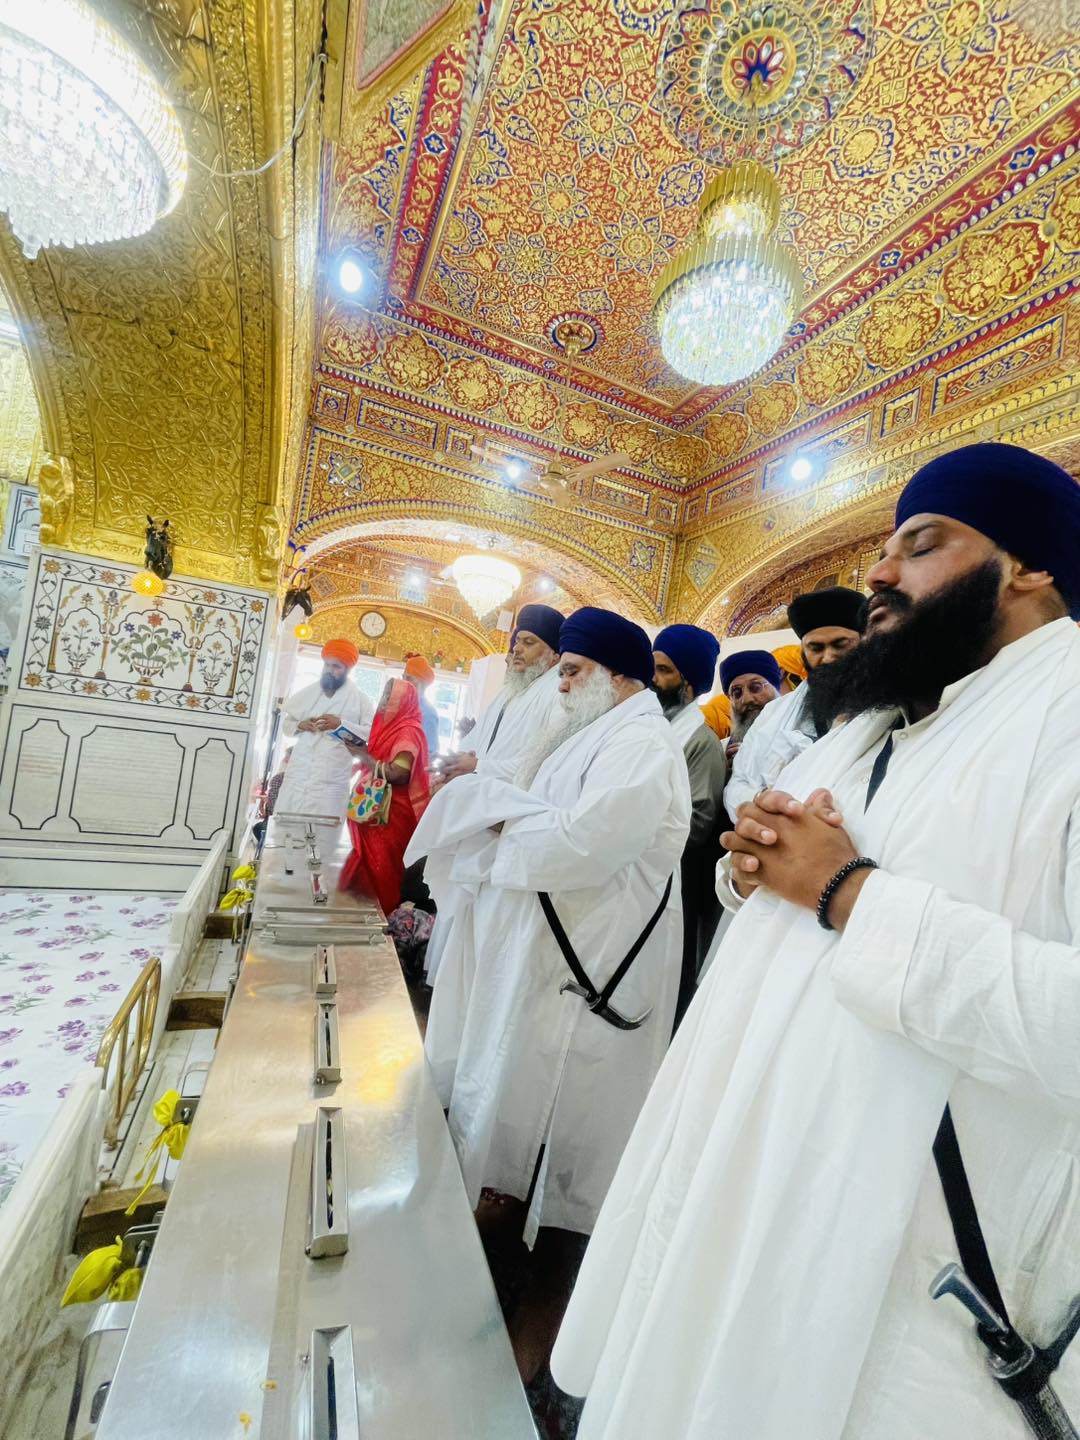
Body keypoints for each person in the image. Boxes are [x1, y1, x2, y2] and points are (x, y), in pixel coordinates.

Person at [551, 441, 1080, 1440]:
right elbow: (779, 886)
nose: (878, 573)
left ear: (1030, 565)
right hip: (747, 1181)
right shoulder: (878, 723)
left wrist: (848, 893)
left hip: (902, 1278)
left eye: (920, 544)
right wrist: (750, 864)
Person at [406, 606, 690, 1380]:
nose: (560, 685)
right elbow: (548, 812)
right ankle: (502, 1240)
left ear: (619, 675)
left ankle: (548, 1322)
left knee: (579, 1140)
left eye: (572, 671)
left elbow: (586, 841)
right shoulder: (596, 729)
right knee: (527, 1104)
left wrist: (499, 827)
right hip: (559, 960)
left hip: (600, 970)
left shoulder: (642, 743)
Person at [725, 586, 868, 815]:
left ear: (864, 643)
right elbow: (737, 784)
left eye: (840, 645)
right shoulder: (774, 713)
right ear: (803, 652)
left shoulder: (886, 705)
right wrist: (762, 801)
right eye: (816, 648)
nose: (828, 657)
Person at [651, 624, 727, 1026]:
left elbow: (697, 823)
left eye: (664, 670)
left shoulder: (701, 743)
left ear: (689, 684)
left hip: (675, 885)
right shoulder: (651, 729)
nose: (653, 678)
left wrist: (633, 820)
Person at [440, 603, 563, 783]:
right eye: (518, 641)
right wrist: (454, 763)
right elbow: (476, 737)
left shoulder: (558, 693)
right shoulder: (509, 690)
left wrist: (478, 767)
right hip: (477, 789)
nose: (517, 648)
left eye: (529, 642)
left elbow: (539, 764)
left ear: (554, 656)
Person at [340, 677, 431, 916]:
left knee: (383, 871)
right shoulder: (388, 727)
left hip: (391, 816)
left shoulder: (409, 730)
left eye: (390, 696)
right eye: (384, 694)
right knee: (366, 868)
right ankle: (359, 918)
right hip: (376, 812)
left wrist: (362, 755)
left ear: (404, 701)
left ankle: (380, 922)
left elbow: (398, 773)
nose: (384, 701)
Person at [273, 639, 374, 821]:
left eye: (336, 666)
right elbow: (287, 727)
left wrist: (340, 724)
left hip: (331, 781)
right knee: (288, 828)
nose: (329, 670)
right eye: (327, 664)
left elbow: (370, 733)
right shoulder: (309, 694)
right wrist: (300, 725)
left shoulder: (360, 700)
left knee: (324, 831)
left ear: (348, 670)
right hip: (298, 775)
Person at [718, 649, 782, 775]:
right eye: (737, 692)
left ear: (774, 686)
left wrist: (758, 759)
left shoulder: (802, 734)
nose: (746, 699)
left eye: (756, 687)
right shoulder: (721, 750)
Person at [403, 653, 440, 753]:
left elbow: (430, 752)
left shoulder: (428, 713)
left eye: (408, 678)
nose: (403, 681)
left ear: (421, 682)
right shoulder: (403, 705)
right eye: (403, 677)